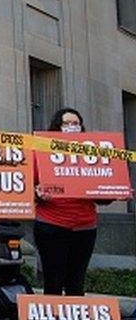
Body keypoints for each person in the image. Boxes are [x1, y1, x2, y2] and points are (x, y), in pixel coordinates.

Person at [33, 108, 121, 296]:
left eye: (76, 123)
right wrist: (37, 194)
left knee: (76, 282)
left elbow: (101, 197)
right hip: (51, 225)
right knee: (53, 281)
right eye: (66, 123)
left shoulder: (92, 153)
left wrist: (116, 191)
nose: (72, 127)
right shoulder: (42, 151)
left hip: (85, 227)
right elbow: (28, 187)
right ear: (57, 127)